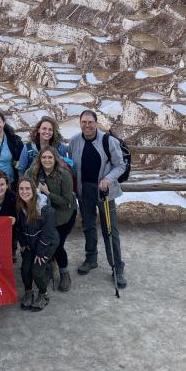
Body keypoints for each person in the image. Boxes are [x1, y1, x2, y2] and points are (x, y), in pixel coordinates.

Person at [69, 109, 127, 288]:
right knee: (88, 226)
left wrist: (108, 179)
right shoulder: (74, 141)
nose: (87, 125)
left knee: (110, 229)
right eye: (83, 122)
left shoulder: (108, 141)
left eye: (90, 122)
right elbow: (71, 164)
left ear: (96, 123)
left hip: (104, 191)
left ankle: (117, 267)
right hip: (84, 190)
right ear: (80, 123)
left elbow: (120, 165)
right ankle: (91, 258)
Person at [26, 148, 78, 291]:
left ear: (55, 159)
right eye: (44, 157)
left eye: (50, 157)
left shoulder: (64, 175)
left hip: (64, 215)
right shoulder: (33, 172)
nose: (47, 160)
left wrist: (48, 193)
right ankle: (48, 266)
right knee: (43, 242)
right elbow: (24, 187)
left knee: (57, 244)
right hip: (44, 215)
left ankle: (64, 272)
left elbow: (67, 202)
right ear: (39, 159)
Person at [15, 178, 60, 311]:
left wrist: (41, 252)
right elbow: (18, 228)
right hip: (30, 243)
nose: (24, 192)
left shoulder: (46, 210)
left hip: (46, 245)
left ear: (34, 190)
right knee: (25, 269)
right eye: (21, 189)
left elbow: (47, 234)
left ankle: (43, 294)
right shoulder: (20, 206)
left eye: (27, 188)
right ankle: (29, 292)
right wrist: (22, 243)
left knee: (37, 271)